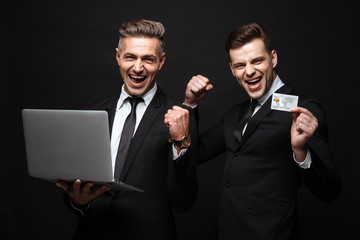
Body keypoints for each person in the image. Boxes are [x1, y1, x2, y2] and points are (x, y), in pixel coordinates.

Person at [184, 23, 341, 240]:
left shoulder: (304, 110)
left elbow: (330, 190)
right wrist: (190, 105)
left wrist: (301, 152)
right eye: (240, 65)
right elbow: (196, 152)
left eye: (257, 60)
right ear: (232, 69)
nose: (249, 71)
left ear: (273, 58)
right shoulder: (234, 114)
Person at [56, 19, 198, 240]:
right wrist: (78, 201)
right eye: (130, 57)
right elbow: (74, 193)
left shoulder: (179, 116)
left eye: (148, 59)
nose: (138, 67)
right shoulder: (92, 113)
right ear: (118, 57)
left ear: (161, 61)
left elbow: (183, 201)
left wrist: (182, 142)